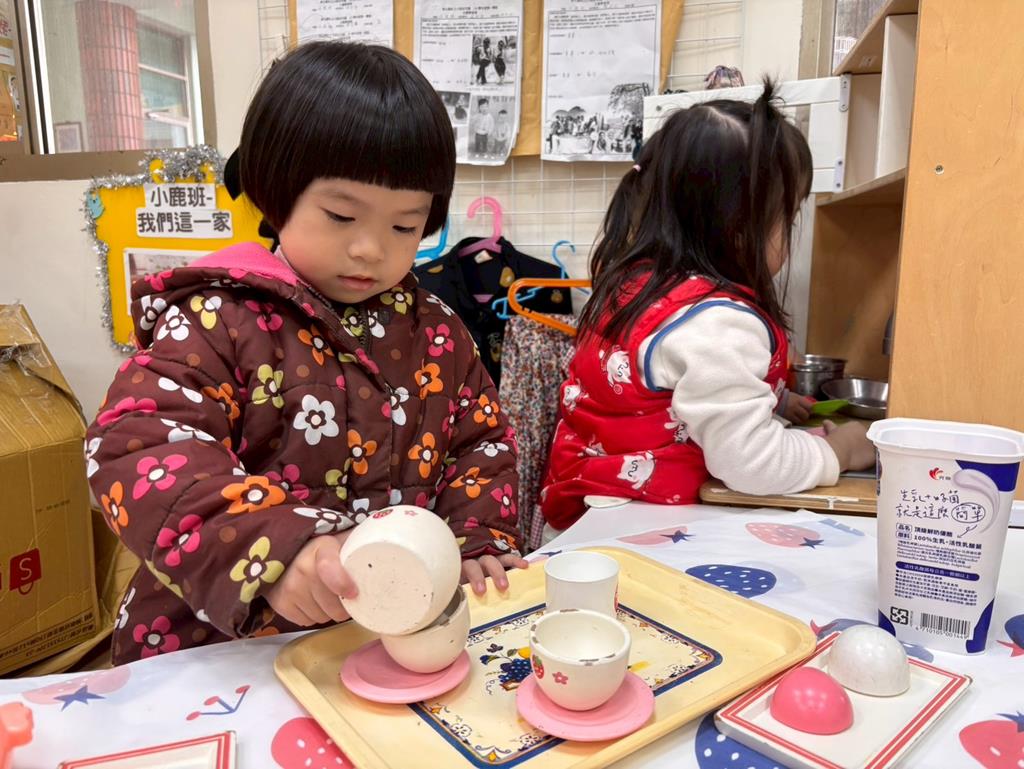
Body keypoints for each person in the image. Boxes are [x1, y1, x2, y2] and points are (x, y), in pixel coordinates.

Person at [85, 42, 526, 665]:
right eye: (342, 215)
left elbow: (479, 445)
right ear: (277, 192)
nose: (371, 249)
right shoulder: (218, 319)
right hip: (222, 642)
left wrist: (476, 537)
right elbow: (138, 447)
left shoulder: (437, 331)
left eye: (405, 225)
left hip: (382, 637)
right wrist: (273, 550)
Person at [540, 80, 874, 532]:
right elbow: (752, 463)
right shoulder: (717, 322)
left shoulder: (637, 283)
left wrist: (776, 398)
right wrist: (841, 450)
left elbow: (672, 388)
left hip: (587, 512)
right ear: (738, 229)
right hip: (638, 534)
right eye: (787, 217)